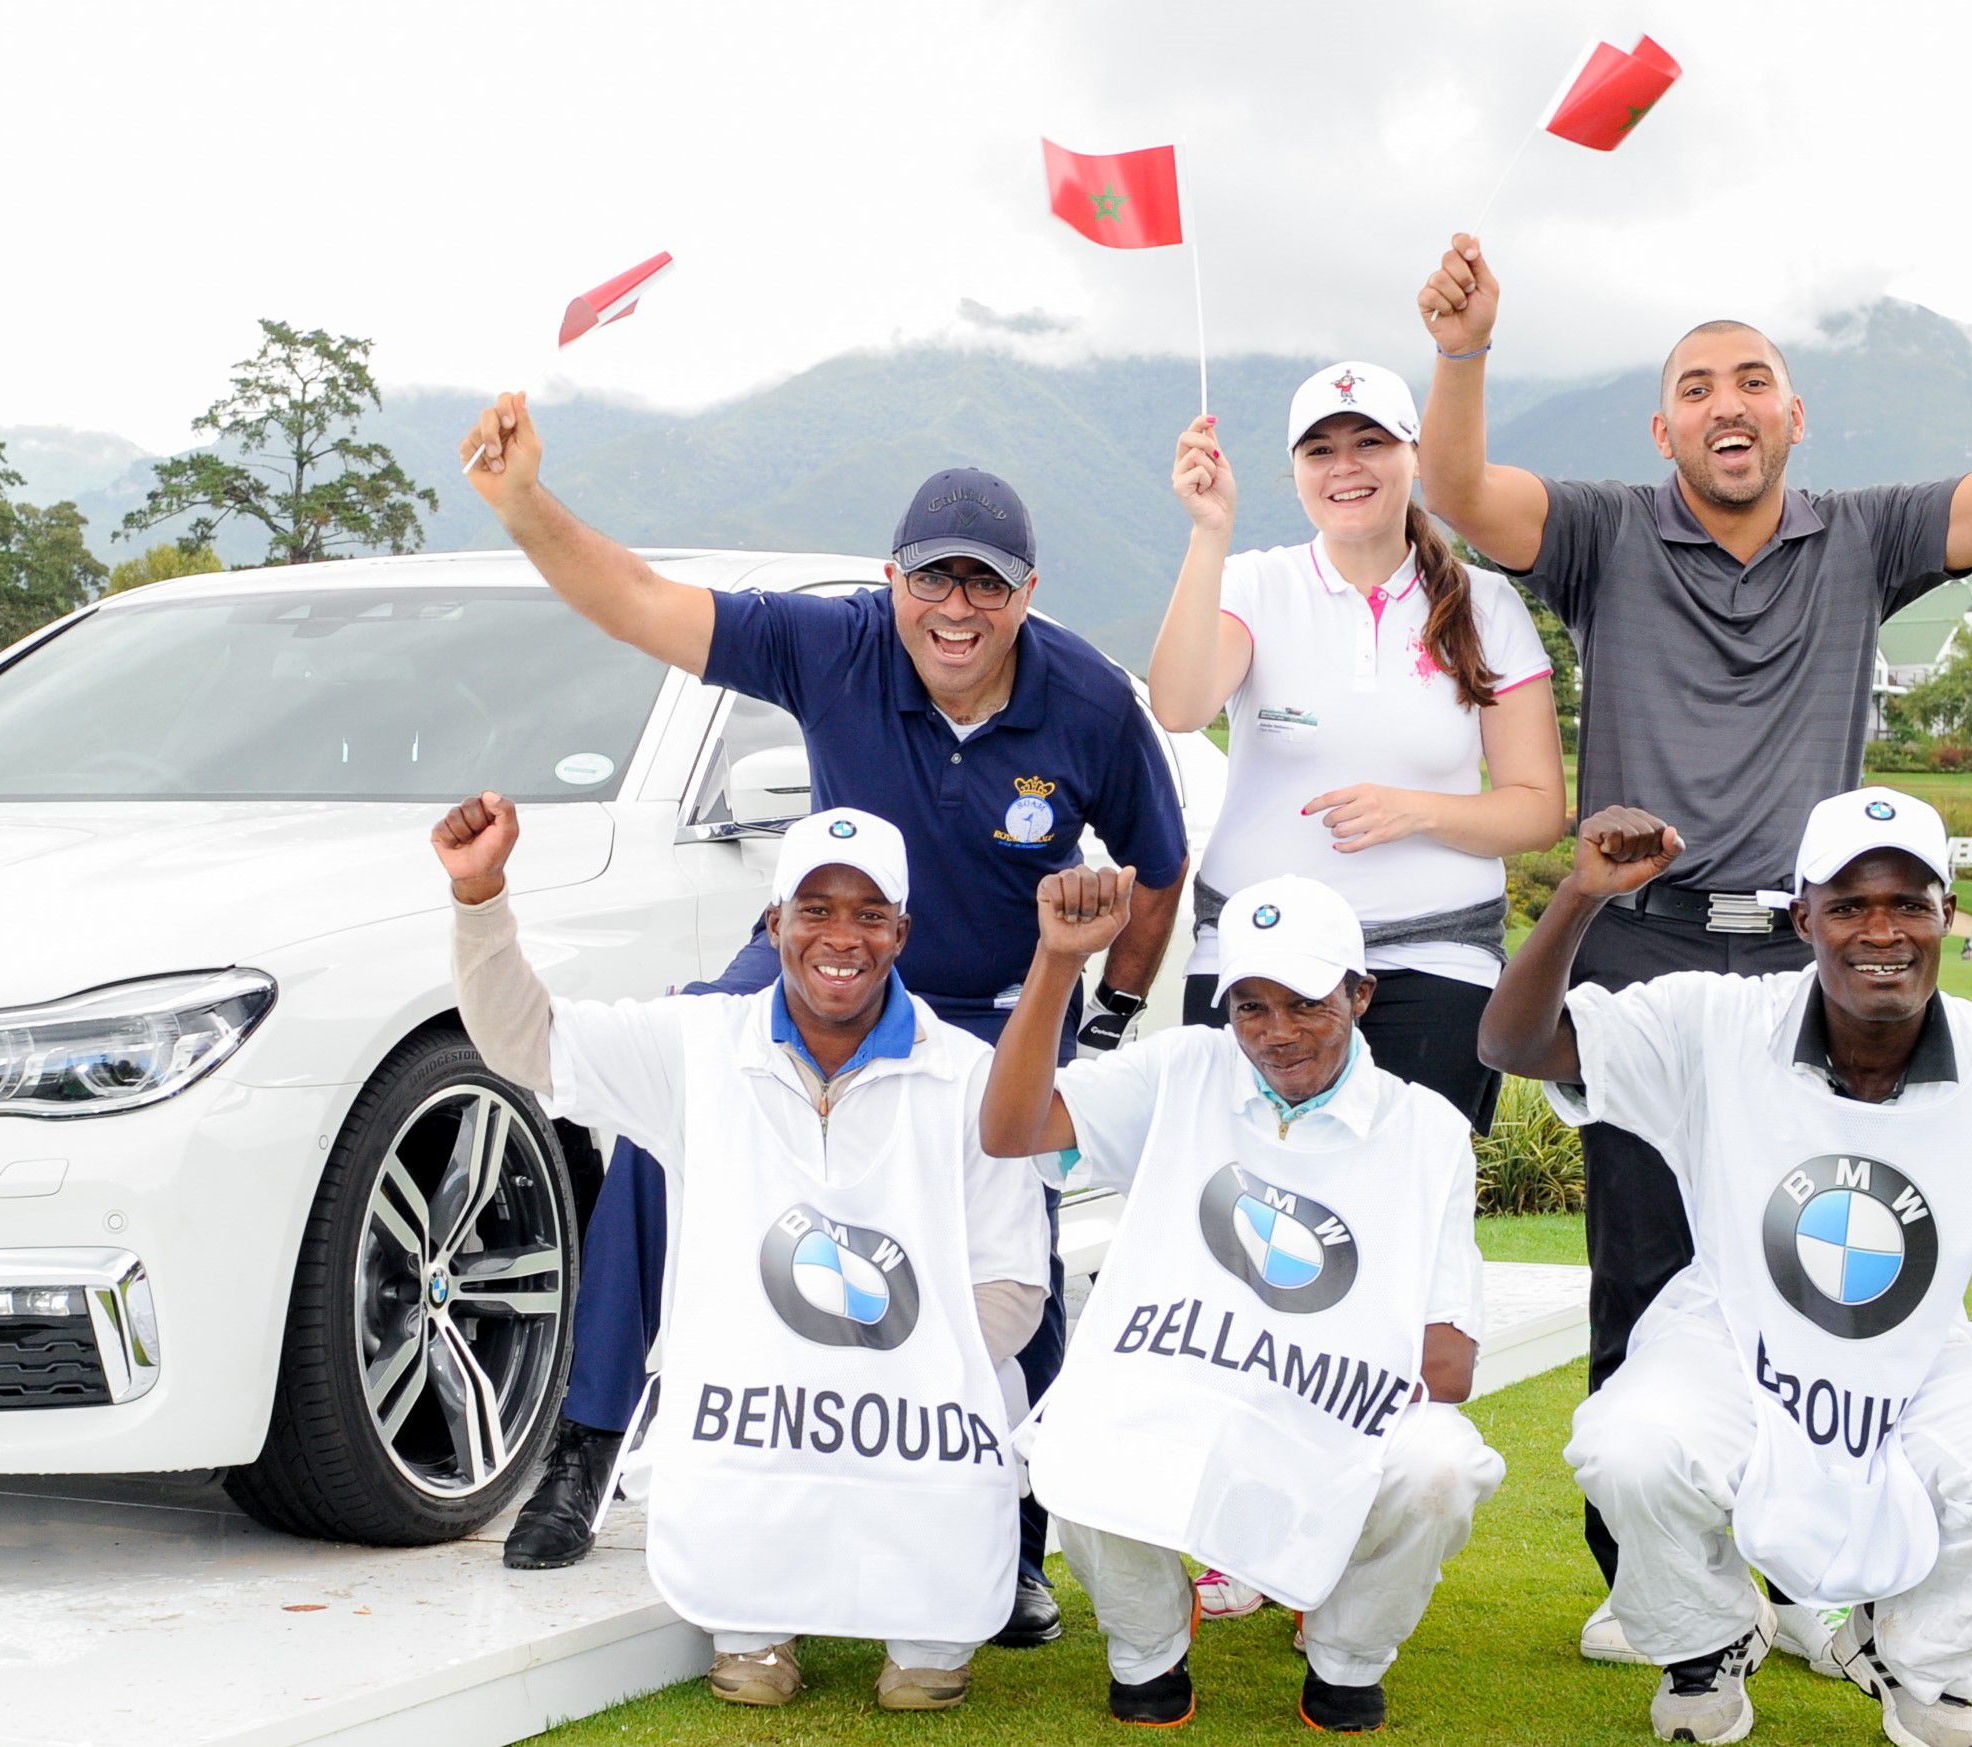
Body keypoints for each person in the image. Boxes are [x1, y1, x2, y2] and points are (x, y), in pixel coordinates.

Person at [1414, 232, 1972, 1658]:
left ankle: (1814, 1578)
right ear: (1661, 424)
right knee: (1645, 1271)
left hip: (1815, 961)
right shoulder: (1606, 531)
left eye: (1753, 380)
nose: (1725, 402)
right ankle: (1661, 1585)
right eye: (1695, 385)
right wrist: (1464, 350)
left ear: (1793, 417)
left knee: (1831, 1272)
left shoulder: (1860, 534)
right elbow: (1458, 491)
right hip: (1644, 954)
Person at [461, 392, 1192, 1646]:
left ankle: (1009, 1536)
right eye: (933, 583)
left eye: (988, 587)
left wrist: (1108, 1015)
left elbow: (1160, 864)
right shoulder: (832, 643)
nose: (956, 611)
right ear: (889, 578)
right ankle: (588, 1441)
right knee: (668, 1101)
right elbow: (639, 600)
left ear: (1029, 593)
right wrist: (524, 500)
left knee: (1016, 1221)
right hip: (831, 959)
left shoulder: (1088, 699)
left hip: (994, 999)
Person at [1476, 789, 1972, 1747]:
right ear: (1802, 918)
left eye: (1908, 903)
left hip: (1915, 1352)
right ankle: (1708, 1639)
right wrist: (1581, 898)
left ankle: (1916, 1658)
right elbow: (1510, 1043)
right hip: (1730, 1332)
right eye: (1847, 905)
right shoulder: (1715, 1021)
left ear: (1948, 916)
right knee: (1626, 1442)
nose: (1879, 930)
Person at [440, 796, 1048, 1710]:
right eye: (814, 909)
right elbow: (525, 1039)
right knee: (748, 1655)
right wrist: (481, 896)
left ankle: (923, 1622)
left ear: (902, 932)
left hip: (916, 1401)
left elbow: (1012, 1283)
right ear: (773, 922)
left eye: (868, 914)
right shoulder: (697, 1043)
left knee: (927, 1670)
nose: (841, 937)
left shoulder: (968, 1073)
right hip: (752, 1405)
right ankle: (758, 1626)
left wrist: (895, 1370)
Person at [982, 869, 1504, 1732]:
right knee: (1068, 1434)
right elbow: (1009, 1130)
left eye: (1304, 1002)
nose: (1276, 1032)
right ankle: (1146, 1645)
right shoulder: (1187, 1067)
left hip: (1327, 1404)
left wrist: (1287, 1391)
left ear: (1360, 994)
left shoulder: (1427, 1129)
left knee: (1440, 1466)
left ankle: (1346, 1652)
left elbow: (1448, 1362)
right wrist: (1057, 959)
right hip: (1183, 1383)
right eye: (1250, 1006)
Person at [1141, 360, 1565, 1135]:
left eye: (1369, 441)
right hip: (1253, 960)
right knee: (1234, 1200)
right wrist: (1208, 534)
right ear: (1295, 471)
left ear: (1412, 456)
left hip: (1434, 960)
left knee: (1405, 1208)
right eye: (1320, 450)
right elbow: (1177, 705)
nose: (1346, 467)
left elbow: (1538, 809)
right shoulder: (1251, 584)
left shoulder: (1484, 604)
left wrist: (1414, 811)